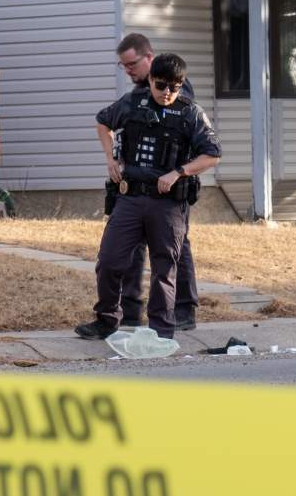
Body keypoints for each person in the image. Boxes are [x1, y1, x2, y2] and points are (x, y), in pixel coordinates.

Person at [77, 53, 221, 341]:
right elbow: (102, 123)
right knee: (109, 261)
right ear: (151, 80)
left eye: (174, 87)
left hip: (168, 203)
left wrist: (179, 172)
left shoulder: (190, 112)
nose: (167, 92)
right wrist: (111, 159)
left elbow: (212, 155)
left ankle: (161, 330)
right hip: (129, 198)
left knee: (164, 268)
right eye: (161, 85)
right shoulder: (133, 102)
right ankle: (106, 320)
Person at [112, 33, 199, 330]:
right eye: (123, 66)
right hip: (140, 186)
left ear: (149, 58)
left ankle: (184, 311)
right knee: (133, 246)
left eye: (132, 64)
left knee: (176, 249)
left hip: (171, 188)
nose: (129, 70)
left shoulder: (173, 85)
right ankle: (131, 310)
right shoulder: (140, 92)